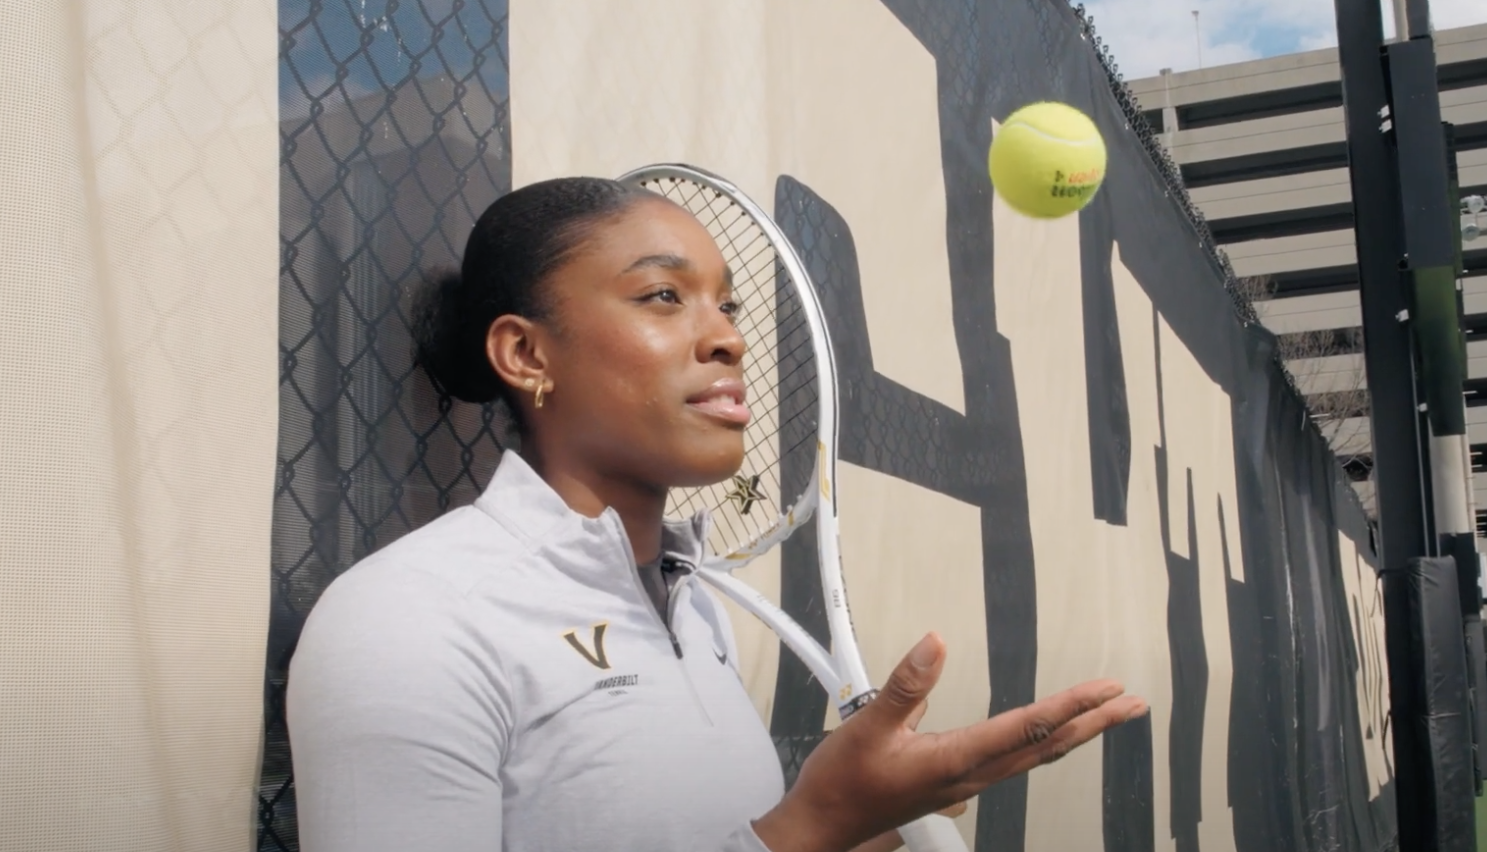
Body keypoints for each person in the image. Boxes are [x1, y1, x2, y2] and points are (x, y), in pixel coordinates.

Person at [285, 176, 1149, 852]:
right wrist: (807, 829)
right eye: (664, 297)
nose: (729, 336)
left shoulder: (694, 609)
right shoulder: (408, 619)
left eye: (727, 304)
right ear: (525, 352)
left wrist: (870, 816)